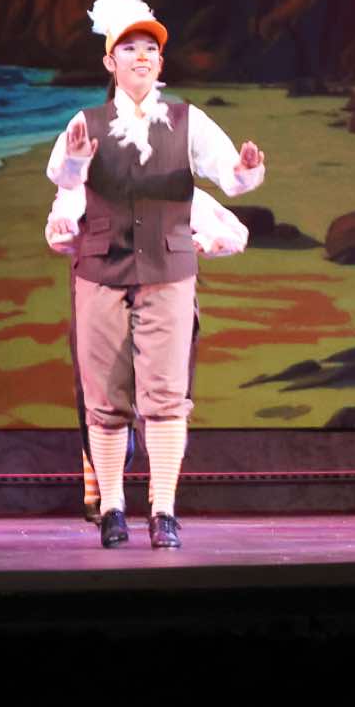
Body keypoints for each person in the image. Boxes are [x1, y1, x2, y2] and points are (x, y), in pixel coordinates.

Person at [45, 0, 265, 548]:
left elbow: (230, 178)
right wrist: (74, 161)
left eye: (150, 49)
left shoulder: (189, 121)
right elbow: (65, 182)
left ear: (161, 62)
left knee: (166, 396)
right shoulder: (87, 121)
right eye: (129, 48)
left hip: (168, 272)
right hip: (100, 272)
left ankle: (163, 510)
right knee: (105, 399)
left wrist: (245, 171)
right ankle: (113, 508)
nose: (141, 56)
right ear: (110, 61)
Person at [46, 185, 249, 521]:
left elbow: (231, 231)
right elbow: (60, 227)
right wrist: (67, 227)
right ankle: (101, 494)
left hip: (163, 289)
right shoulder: (87, 187)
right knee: (99, 391)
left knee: (166, 393)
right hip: (101, 285)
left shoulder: (174, 187)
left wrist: (209, 240)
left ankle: (161, 499)